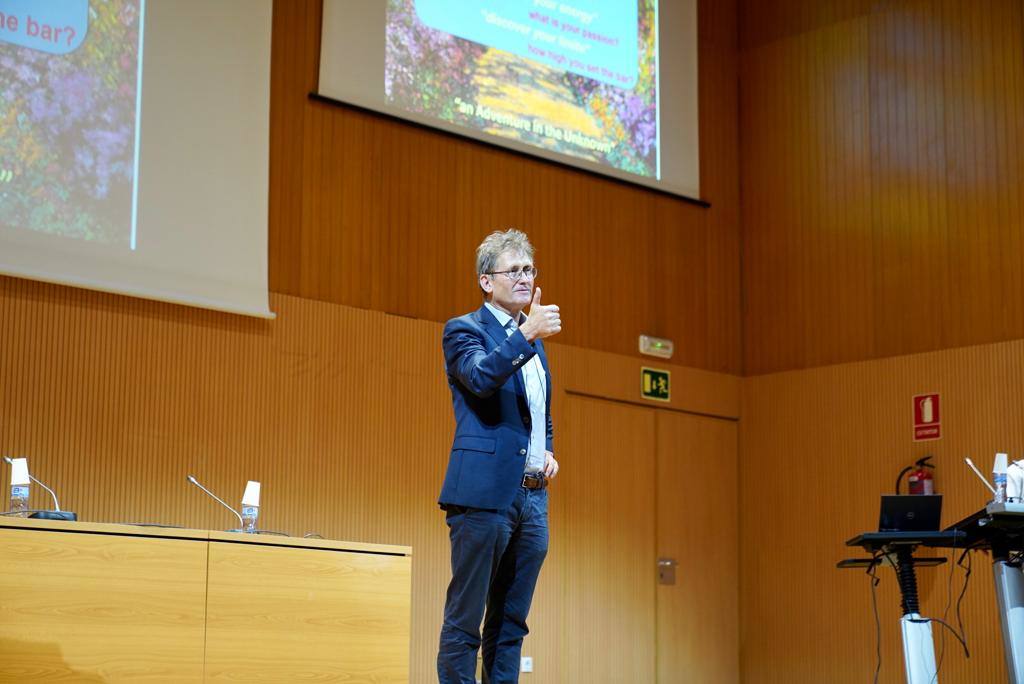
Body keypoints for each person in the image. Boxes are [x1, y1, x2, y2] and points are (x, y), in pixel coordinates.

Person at [437, 229, 562, 684]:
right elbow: (479, 377)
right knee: (465, 622)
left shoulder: (534, 343)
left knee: (510, 626)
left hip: (532, 498)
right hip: (483, 496)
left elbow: (540, 408)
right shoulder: (464, 330)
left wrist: (547, 449)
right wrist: (527, 331)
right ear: (486, 281)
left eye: (530, 269)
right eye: (515, 270)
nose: (526, 278)